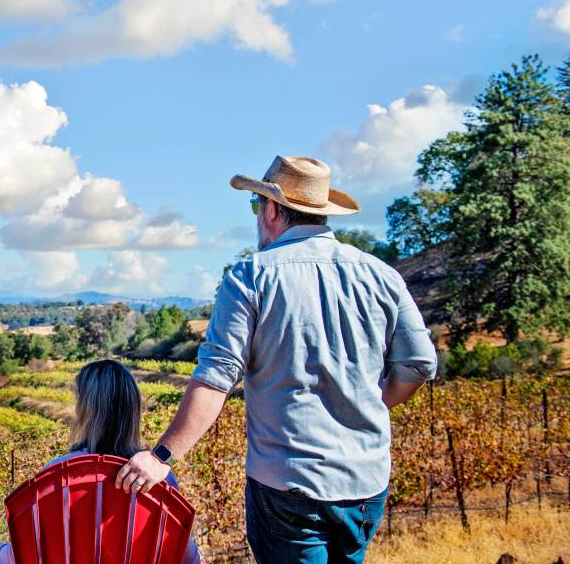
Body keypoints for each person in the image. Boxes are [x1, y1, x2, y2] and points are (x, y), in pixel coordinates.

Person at [115, 156, 438, 564]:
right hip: (365, 483)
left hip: (288, 487)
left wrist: (160, 457)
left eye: (255, 206)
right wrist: (370, 404)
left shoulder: (251, 276)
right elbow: (419, 364)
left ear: (271, 209)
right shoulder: (382, 275)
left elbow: (216, 378)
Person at [0, 359, 201, 564]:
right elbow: (185, 556)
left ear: (83, 411)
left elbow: (23, 557)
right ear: (134, 410)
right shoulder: (160, 477)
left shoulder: (59, 475)